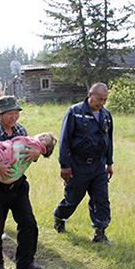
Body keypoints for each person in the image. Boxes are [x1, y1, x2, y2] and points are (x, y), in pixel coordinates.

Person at [0, 95, 44, 269]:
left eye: (16, 113)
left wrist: (36, 153)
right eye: (9, 114)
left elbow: (30, 154)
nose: (13, 117)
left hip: (18, 186)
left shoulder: (21, 130)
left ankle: (25, 262)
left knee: (29, 223)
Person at [53, 83, 114, 244]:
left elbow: (109, 140)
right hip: (78, 165)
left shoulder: (106, 115)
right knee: (73, 198)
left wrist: (109, 163)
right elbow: (65, 140)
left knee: (101, 199)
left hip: (98, 165)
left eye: (104, 99)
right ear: (90, 94)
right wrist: (64, 165)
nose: (101, 102)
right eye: (99, 99)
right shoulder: (75, 112)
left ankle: (100, 234)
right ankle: (60, 217)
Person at [0, 132, 57, 198]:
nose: (43, 138)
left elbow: (31, 154)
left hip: (12, 173)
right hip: (2, 156)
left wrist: (37, 153)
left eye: (45, 140)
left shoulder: (24, 134)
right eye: (43, 135)